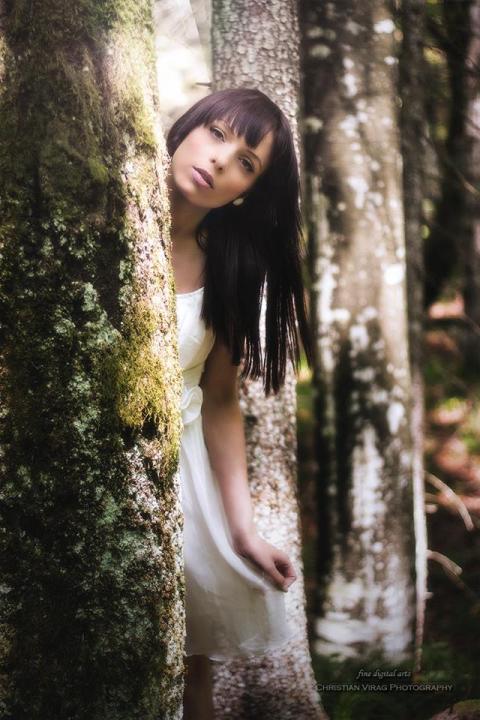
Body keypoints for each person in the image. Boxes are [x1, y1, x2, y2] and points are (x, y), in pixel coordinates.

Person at [165, 87, 312, 719]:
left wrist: (242, 528)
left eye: (246, 163)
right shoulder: (93, 209)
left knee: (185, 667)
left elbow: (220, 399)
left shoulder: (228, 269)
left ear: (246, 191)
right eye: (218, 133)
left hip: (172, 475)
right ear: (187, 127)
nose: (222, 160)